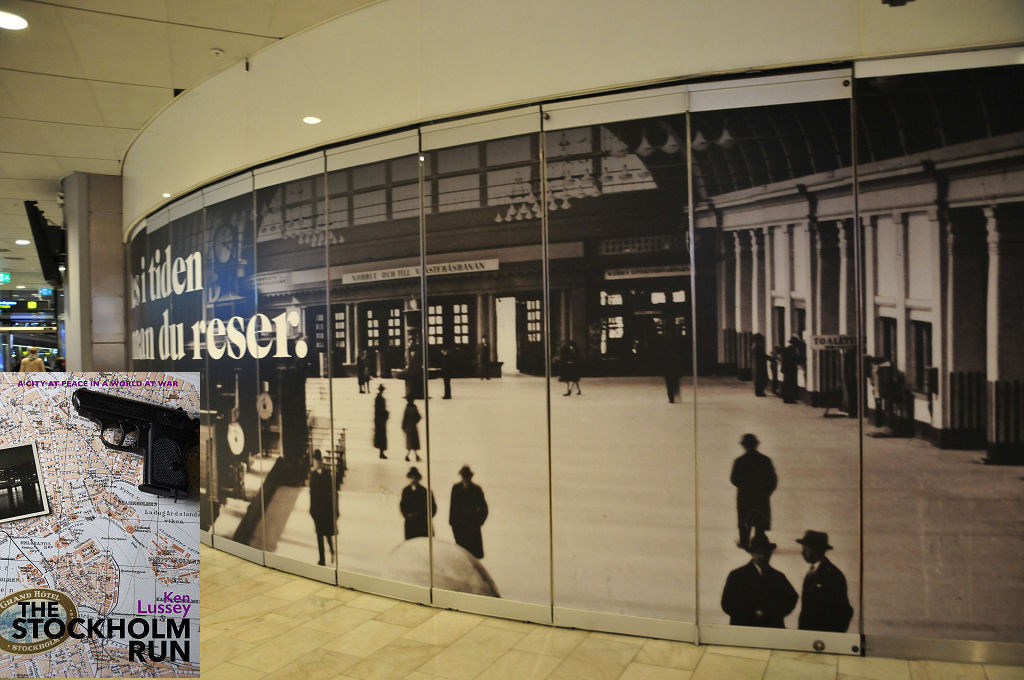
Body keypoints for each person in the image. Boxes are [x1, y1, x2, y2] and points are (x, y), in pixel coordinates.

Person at [721, 533, 798, 628]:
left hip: (771, 628)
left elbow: (792, 597)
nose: (763, 556)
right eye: (759, 552)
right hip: (744, 628)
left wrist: (773, 614)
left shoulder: (778, 576)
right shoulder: (737, 575)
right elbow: (727, 603)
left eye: (766, 553)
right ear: (752, 553)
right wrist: (751, 613)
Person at [796, 530, 853, 633]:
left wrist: (832, 637)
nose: (802, 552)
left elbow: (845, 611)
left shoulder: (833, 575)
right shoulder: (811, 572)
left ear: (815, 549)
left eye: (805, 549)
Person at [730, 433, 777, 550]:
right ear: (756, 445)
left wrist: (744, 486)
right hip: (761, 495)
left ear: (744, 446)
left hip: (744, 495)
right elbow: (773, 479)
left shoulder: (739, 461)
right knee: (761, 520)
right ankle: (759, 542)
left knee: (743, 519)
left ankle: (744, 542)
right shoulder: (765, 460)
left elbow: (734, 479)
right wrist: (767, 492)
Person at [449, 465, 488, 559]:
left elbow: (484, 508)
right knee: (461, 555)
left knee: (473, 556)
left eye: (467, 477)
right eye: (464, 477)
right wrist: (453, 523)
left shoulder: (477, 490)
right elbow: (452, 507)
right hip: (460, 528)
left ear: (470, 477)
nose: (465, 479)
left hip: (473, 528)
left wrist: (479, 522)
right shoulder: (456, 488)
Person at [308, 450, 336, 566]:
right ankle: (322, 560)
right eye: (315, 461)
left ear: (321, 461)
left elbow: (332, 492)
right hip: (318, 510)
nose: (317, 463)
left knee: (328, 534)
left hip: (326, 509)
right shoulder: (313, 476)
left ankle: (332, 551)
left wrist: (334, 510)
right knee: (319, 536)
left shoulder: (327, 474)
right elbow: (312, 493)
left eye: (318, 461)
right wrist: (312, 509)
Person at [400, 466, 436, 540]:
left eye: (415, 477)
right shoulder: (405, 491)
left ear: (418, 478)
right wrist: (407, 515)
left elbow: (433, 507)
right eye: (411, 477)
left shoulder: (425, 491)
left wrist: (423, 516)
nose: (413, 479)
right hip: (410, 525)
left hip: (422, 525)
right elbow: (402, 505)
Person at [660, 328, 682, 403]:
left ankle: (671, 397)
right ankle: (675, 393)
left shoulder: (664, 347)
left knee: (669, 383)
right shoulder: (677, 346)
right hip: (675, 366)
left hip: (668, 366)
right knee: (675, 381)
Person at [402, 396, 421, 462]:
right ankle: (415, 456)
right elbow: (418, 417)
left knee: (410, 442)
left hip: (408, 427)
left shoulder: (407, 408)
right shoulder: (414, 408)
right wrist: (415, 421)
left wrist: (403, 426)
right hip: (413, 427)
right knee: (414, 442)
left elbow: (404, 418)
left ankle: (410, 456)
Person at [781, 337, 799, 404]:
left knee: (786, 383)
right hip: (791, 369)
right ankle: (790, 399)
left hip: (786, 369)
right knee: (791, 384)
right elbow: (795, 360)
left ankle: (786, 398)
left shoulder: (786, 349)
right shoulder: (792, 350)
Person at [374, 384, 389, 459]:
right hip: (380, 420)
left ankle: (381, 452)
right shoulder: (379, 398)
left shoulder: (378, 398)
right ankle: (381, 452)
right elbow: (380, 409)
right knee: (382, 436)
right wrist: (386, 413)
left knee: (381, 436)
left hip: (379, 419)